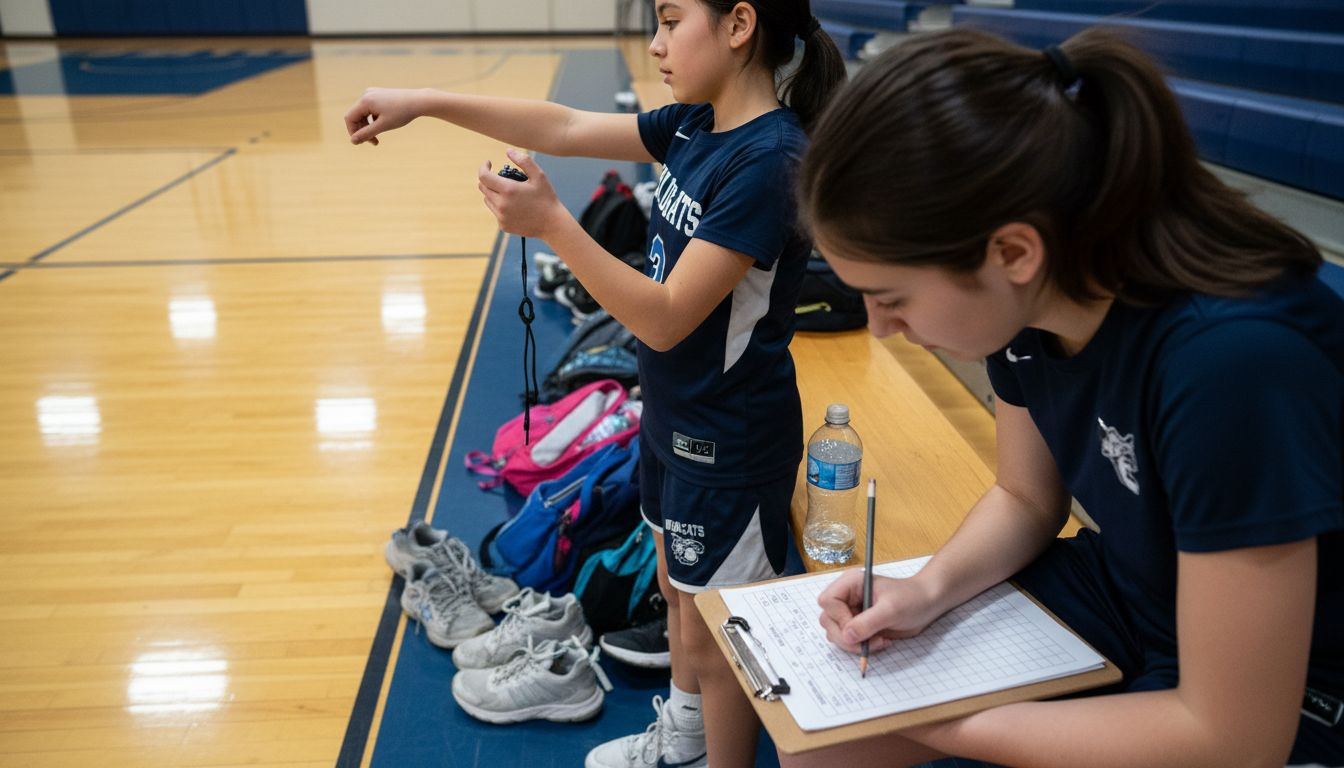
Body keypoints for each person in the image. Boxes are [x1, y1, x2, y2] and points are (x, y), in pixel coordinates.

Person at [786, 27, 1343, 768]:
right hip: (1136, 592)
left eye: (892, 298)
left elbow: (1233, 739)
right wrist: (924, 590)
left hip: (1295, 684)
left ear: (1013, 252)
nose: (881, 328)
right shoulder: (1025, 304)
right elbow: (1024, 498)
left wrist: (936, 717)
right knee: (823, 746)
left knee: (866, 724)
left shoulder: (1231, 367)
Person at [344, 3, 844, 767]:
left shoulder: (767, 160)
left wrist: (552, 222)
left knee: (722, 639)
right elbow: (566, 125)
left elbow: (667, 318)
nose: (656, 43)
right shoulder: (696, 124)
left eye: (671, 20)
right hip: (672, 422)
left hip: (731, 445)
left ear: (739, 24)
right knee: (678, 598)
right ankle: (686, 738)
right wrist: (425, 101)